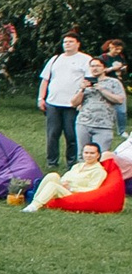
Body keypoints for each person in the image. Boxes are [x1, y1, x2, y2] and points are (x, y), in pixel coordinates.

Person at [37, 33, 98, 171]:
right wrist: (41, 98)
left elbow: (89, 81)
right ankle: (52, 161)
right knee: (52, 134)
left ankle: (72, 162)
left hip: (72, 104)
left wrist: (82, 100)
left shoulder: (85, 59)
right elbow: (45, 80)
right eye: (65, 42)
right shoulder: (55, 59)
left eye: (71, 41)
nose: (67, 44)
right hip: (53, 102)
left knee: (71, 134)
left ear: (78, 44)